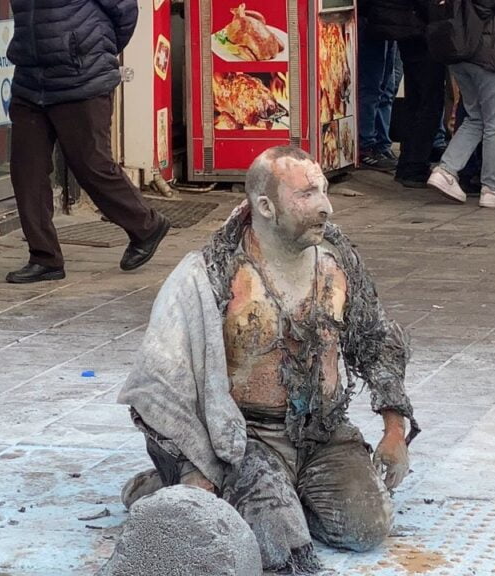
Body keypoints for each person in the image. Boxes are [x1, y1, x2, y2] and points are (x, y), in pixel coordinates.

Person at [117, 146, 417, 573]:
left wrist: (394, 430)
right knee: (279, 546)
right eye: (308, 195)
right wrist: (194, 462)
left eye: (324, 192)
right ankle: (189, 487)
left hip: (323, 433)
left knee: (365, 529)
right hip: (248, 438)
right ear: (266, 206)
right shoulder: (209, 274)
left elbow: (377, 341)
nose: (326, 208)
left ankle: (267, 498)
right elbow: (159, 384)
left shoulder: (338, 262)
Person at [4, 0, 170, 284]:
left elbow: (125, 11)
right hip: (31, 80)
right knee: (26, 171)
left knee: (91, 165)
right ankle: (44, 258)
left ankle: (146, 227)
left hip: (82, 77)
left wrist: (91, 50)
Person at [428, 0, 495, 207]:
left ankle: (446, 170)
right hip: (488, 51)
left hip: (457, 50)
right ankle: (492, 187)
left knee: (475, 118)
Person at [393, 1, 447, 188]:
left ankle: (408, 163)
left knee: (416, 100)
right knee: (429, 102)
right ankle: (414, 166)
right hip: (423, 33)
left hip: (409, 30)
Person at [357, 2, 403, 172]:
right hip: (373, 20)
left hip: (384, 21)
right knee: (372, 90)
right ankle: (367, 146)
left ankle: (381, 143)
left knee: (384, 89)